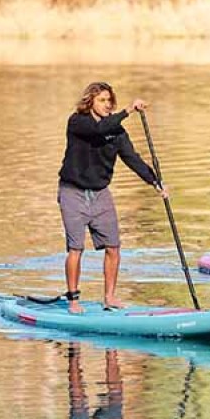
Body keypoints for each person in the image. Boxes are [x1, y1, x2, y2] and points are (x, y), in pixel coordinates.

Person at [58, 81, 168, 314]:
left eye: (110, 101)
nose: (107, 105)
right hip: (73, 193)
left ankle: (109, 297)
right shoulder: (78, 122)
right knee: (76, 248)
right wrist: (128, 110)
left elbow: (132, 159)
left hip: (100, 195)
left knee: (113, 247)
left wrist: (155, 181)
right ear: (90, 102)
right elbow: (99, 130)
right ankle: (73, 301)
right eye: (102, 100)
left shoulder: (117, 133)